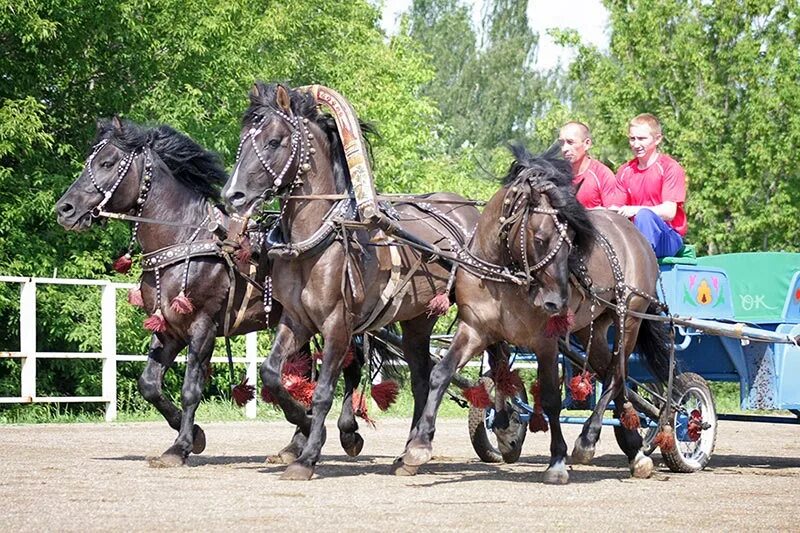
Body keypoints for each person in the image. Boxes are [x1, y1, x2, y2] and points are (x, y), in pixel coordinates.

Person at [615, 113, 687, 258]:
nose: (636, 144)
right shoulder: (624, 171)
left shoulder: (669, 167)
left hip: (667, 236)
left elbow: (669, 212)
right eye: (632, 139)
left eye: (642, 139)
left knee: (644, 217)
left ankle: (641, 267)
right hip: (635, 235)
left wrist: (635, 210)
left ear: (657, 139)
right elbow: (617, 207)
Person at [559, 121, 627, 209]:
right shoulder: (557, 175)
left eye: (570, 142)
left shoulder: (602, 174)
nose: (564, 149)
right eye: (561, 143)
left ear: (587, 144)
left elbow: (613, 215)